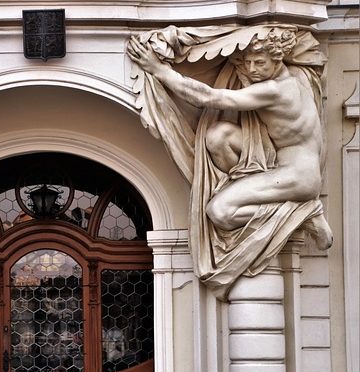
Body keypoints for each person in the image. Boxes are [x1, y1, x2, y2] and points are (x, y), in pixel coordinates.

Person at [127, 31, 332, 249]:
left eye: (260, 63)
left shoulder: (275, 90)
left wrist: (159, 70)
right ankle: (245, 187)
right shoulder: (301, 75)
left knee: (219, 211)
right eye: (249, 62)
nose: (252, 69)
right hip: (282, 164)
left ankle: (302, 212)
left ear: (278, 58)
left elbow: (210, 98)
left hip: (297, 177)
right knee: (218, 136)